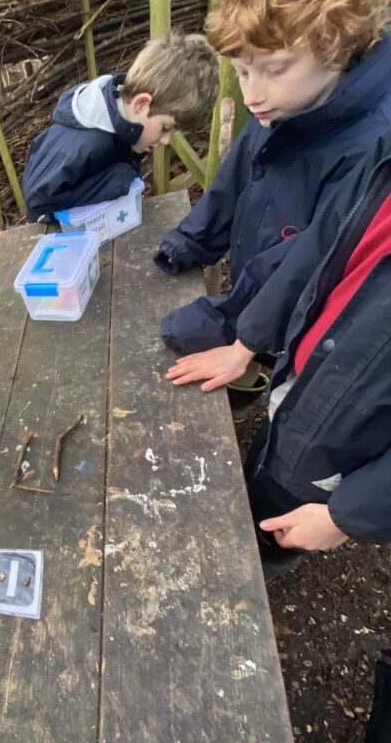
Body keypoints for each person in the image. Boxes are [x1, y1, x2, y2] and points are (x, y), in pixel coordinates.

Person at [154, 0, 391, 383]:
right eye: (241, 71)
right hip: (256, 287)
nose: (251, 94)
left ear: (340, 42)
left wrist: (241, 340)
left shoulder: (373, 147)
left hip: (308, 331)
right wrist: (189, 242)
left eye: (274, 69)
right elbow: (237, 175)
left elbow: (314, 259)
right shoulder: (287, 100)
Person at [166, 151, 391, 577]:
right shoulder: (382, 163)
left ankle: (248, 576)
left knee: (281, 523)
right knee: (266, 467)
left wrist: (348, 515)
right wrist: (245, 343)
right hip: (301, 387)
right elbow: (317, 252)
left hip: (350, 443)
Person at [21, 31, 218, 221]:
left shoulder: (127, 129)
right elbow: (37, 203)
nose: (166, 140)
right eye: (166, 128)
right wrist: (116, 183)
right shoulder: (85, 144)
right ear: (141, 104)